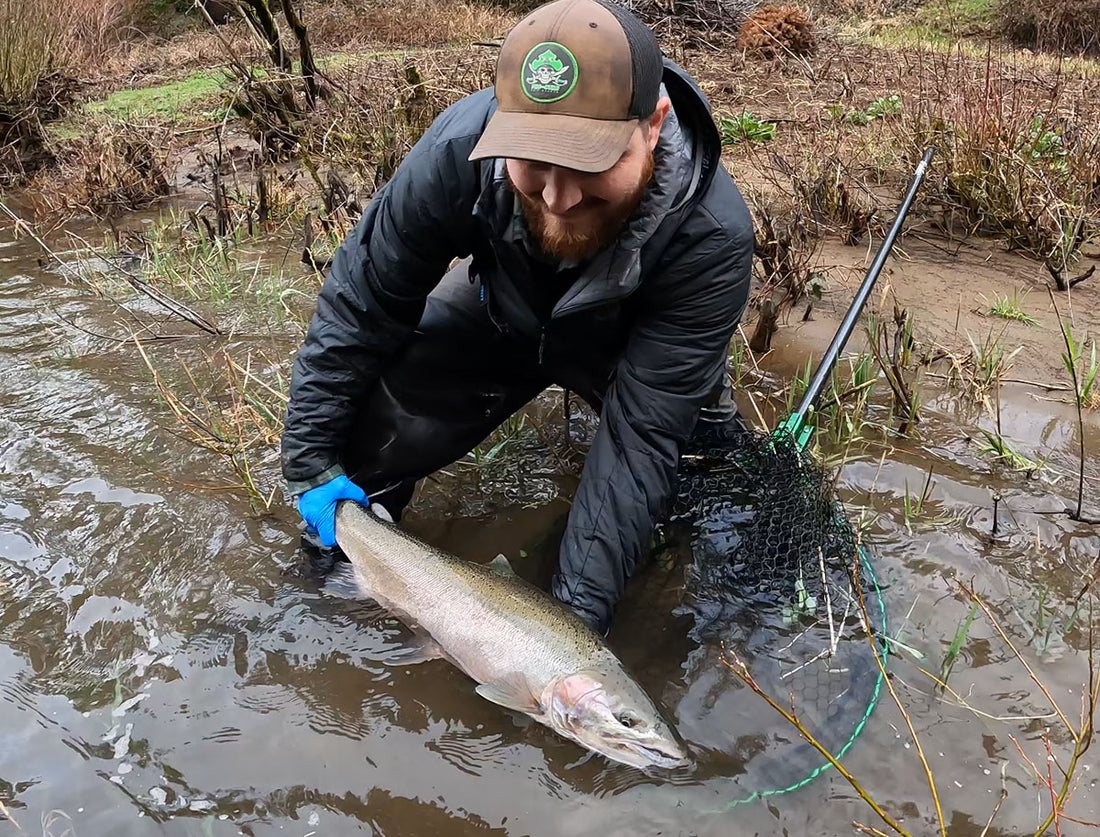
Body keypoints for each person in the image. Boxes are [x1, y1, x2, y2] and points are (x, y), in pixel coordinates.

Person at [281, 0, 754, 634]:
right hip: (502, 316)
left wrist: (569, 636)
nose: (559, 200)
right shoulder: (457, 151)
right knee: (359, 457)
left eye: (589, 163)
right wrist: (312, 461)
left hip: (628, 348)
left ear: (653, 124)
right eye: (534, 165)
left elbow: (642, 436)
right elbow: (360, 305)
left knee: (696, 482)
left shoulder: (712, 236)